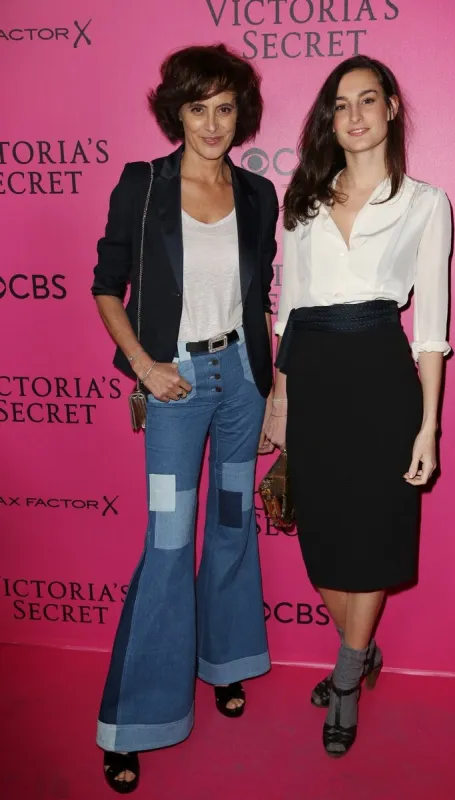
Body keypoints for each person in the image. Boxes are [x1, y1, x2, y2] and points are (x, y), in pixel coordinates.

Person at [91, 44, 278, 792]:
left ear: (241, 113)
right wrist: (143, 364)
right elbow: (107, 286)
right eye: (197, 107)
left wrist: (276, 397)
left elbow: (262, 303)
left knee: (232, 524)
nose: (211, 123)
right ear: (177, 111)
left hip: (240, 380)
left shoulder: (260, 195)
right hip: (173, 382)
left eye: (224, 107)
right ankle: (135, 718)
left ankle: (224, 662)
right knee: (168, 540)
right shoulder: (142, 185)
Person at [265, 55, 452, 758]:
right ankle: (360, 650)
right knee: (320, 538)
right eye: (340, 105)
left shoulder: (425, 203)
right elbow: (287, 309)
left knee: (371, 534)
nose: (354, 116)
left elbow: (430, 328)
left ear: (391, 108)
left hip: (379, 374)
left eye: (367, 100)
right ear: (328, 119)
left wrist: (428, 426)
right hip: (310, 375)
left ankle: (345, 674)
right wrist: (279, 398)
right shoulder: (303, 198)